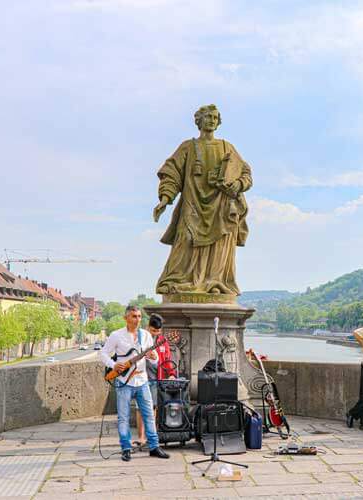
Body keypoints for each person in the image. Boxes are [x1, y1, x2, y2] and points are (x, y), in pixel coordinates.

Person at [153, 104, 253, 296]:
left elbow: (245, 173)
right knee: (185, 241)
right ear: (199, 121)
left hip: (222, 208)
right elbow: (172, 173)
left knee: (219, 247)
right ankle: (180, 280)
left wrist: (238, 185)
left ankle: (214, 281)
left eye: (215, 118)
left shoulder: (227, 147)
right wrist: (165, 199)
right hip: (193, 205)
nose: (212, 120)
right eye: (208, 117)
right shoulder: (188, 147)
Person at [99, 305, 170, 462]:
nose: (137, 319)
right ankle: (126, 448)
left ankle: (154, 447)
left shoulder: (145, 335)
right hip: (124, 381)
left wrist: (154, 356)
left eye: (139, 316)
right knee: (123, 417)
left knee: (149, 415)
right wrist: (113, 365)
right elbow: (102, 353)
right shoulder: (116, 335)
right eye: (133, 316)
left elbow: (156, 358)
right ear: (126, 318)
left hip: (142, 380)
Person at [137, 313, 178, 444]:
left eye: (158, 331)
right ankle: (141, 437)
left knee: (152, 408)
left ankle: (151, 436)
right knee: (139, 408)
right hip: (139, 377)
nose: (155, 333)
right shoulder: (139, 338)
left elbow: (167, 359)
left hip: (156, 379)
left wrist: (171, 373)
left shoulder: (162, 341)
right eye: (153, 330)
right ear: (148, 327)